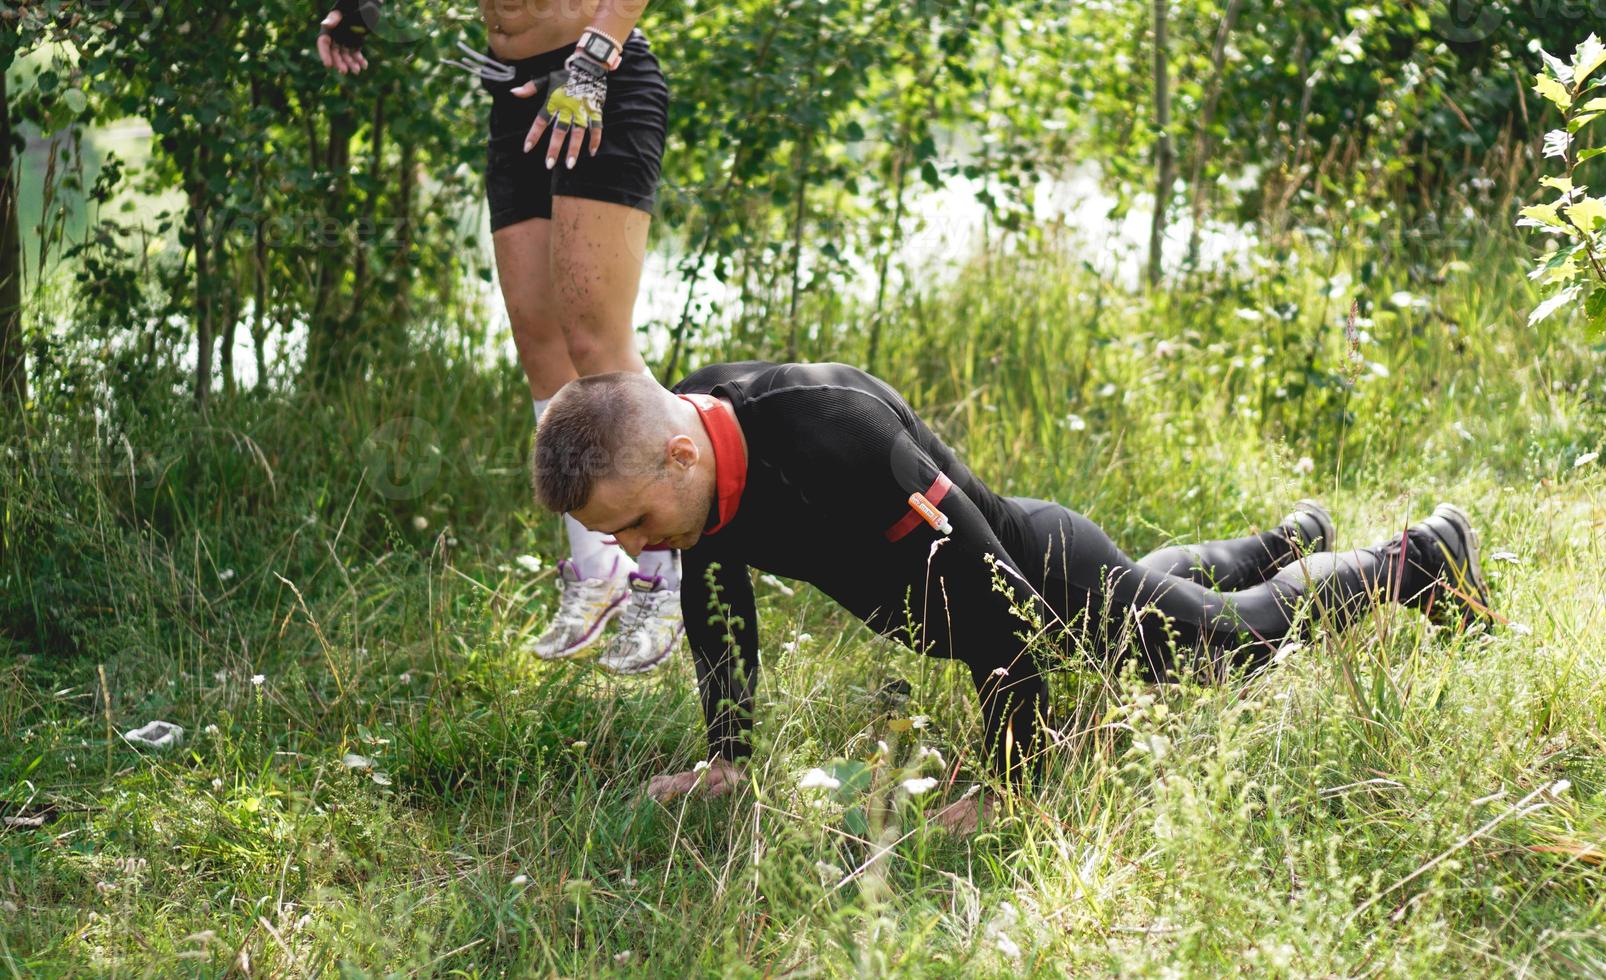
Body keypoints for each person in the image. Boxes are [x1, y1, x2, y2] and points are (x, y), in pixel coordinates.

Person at [531, 362, 1495, 833]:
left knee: (1219, 650)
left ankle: (1414, 560)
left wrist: (1013, 780)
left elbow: (993, 598)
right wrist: (728, 758)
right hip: (988, 591)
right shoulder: (691, 454)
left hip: (1037, 569)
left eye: (635, 520)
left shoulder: (829, 432)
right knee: (1156, 597)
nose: (633, 548)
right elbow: (720, 595)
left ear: (682, 454)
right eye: (616, 535)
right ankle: (1281, 543)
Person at [315, 0, 683, 673]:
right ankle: (595, 570)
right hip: (515, 94)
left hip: (596, 82)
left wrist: (595, 60)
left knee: (596, 345)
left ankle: (665, 574)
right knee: (542, 348)